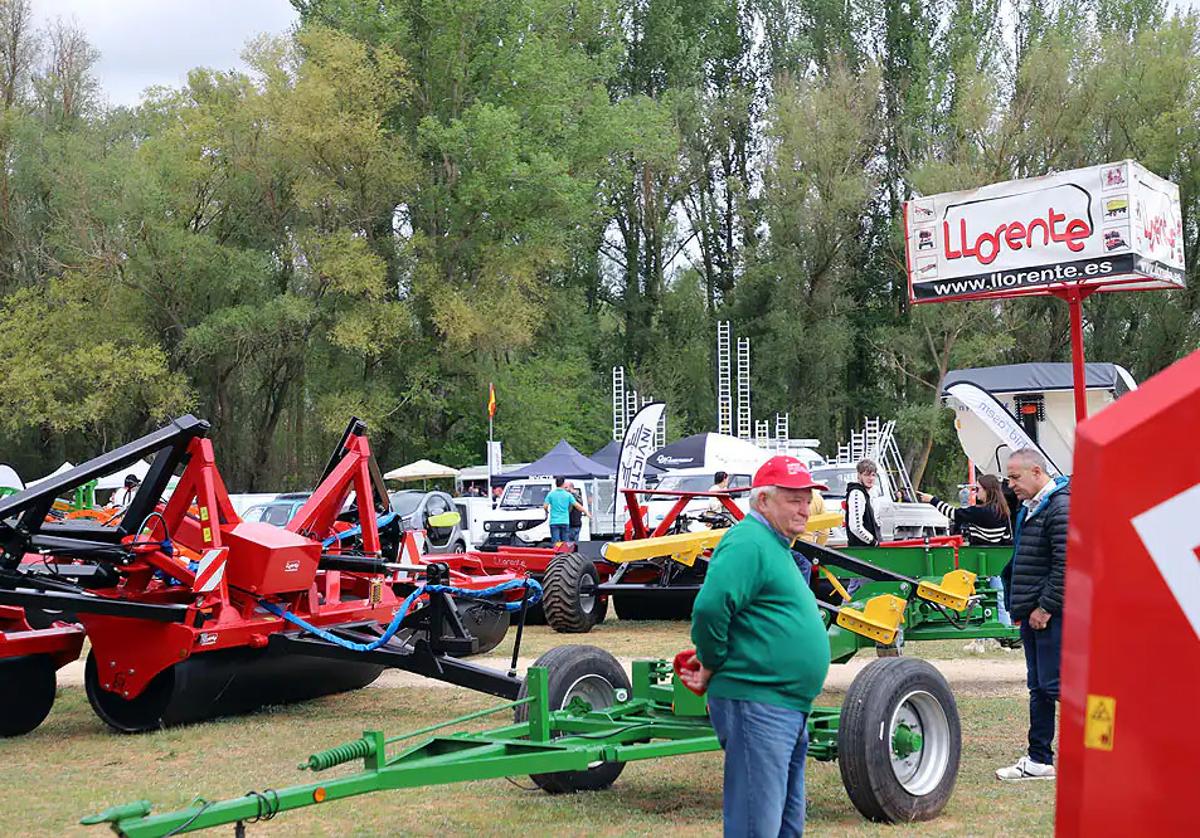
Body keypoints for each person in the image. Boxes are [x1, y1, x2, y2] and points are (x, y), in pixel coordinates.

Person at [682, 456, 831, 836]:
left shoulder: (774, 544)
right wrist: (712, 662)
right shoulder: (748, 541)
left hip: (785, 707)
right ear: (763, 501)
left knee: (785, 827)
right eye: (793, 499)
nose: (804, 508)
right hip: (758, 705)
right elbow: (711, 606)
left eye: (807, 498)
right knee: (756, 828)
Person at [995, 447, 1070, 782]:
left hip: (1051, 615)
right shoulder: (1031, 508)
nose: (1010, 485)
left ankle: (1103, 749)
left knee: (1057, 686)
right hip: (1033, 613)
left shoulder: (1059, 507)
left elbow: (1066, 565)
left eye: (1015, 477)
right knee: (1040, 687)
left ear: (1036, 472)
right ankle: (1039, 758)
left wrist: (1045, 607)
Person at [917, 473, 1012, 545]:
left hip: (977, 555)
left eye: (978, 489)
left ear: (987, 490)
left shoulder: (979, 512)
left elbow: (952, 513)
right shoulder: (1003, 510)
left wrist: (932, 500)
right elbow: (1006, 538)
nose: (975, 492)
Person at [845, 458, 881, 546]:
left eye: (873, 475)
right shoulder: (857, 494)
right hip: (861, 549)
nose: (871, 478)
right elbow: (856, 527)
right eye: (866, 475)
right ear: (859, 475)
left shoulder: (867, 494)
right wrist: (873, 542)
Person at [543, 476, 585, 545]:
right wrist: (586, 512)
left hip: (555, 521)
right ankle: (566, 555)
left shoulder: (551, 494)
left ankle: (558, 554)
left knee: (556, 542)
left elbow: (545, 506)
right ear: (562, 484)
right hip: (566, 522)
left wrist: (546, 511)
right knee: (566, 543)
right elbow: (578, 506)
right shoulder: (570, 495)